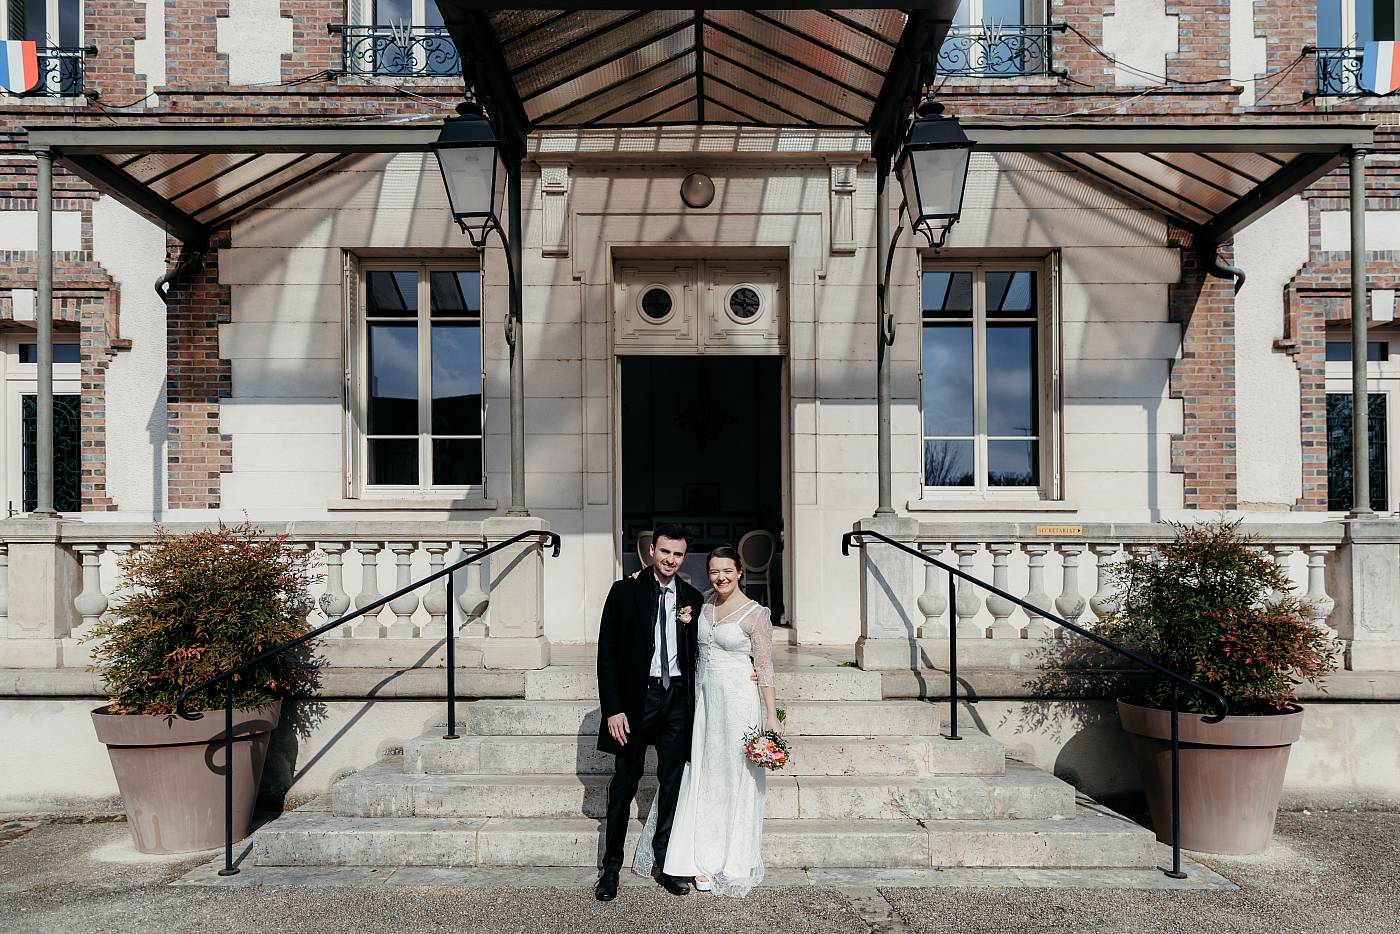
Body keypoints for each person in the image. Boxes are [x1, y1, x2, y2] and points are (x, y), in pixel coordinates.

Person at [634, 545, 779, 898]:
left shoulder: (756, 614)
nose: (721, 577)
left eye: (727, 570)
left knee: (732, 776)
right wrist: (638, 580)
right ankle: (697, 855)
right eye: (714, 571)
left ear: (740, 571)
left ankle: (728, 857)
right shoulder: (700, 605)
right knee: (703, 772)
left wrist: (772, 714)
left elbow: (764, 666)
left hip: (738, 704)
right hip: (703, 701)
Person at [594, 524, 703, 901]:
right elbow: (606, 655)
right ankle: (610, 869)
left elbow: (701, 651)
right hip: (637, 701)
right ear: (651, 551)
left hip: (676, 702)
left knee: (672, 784)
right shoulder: (625, 591)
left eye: (678, 554)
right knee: (624, 784)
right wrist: (614, 709)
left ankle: (665, 863)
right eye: (664, 552)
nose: (670, 560)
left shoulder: (691, 597)